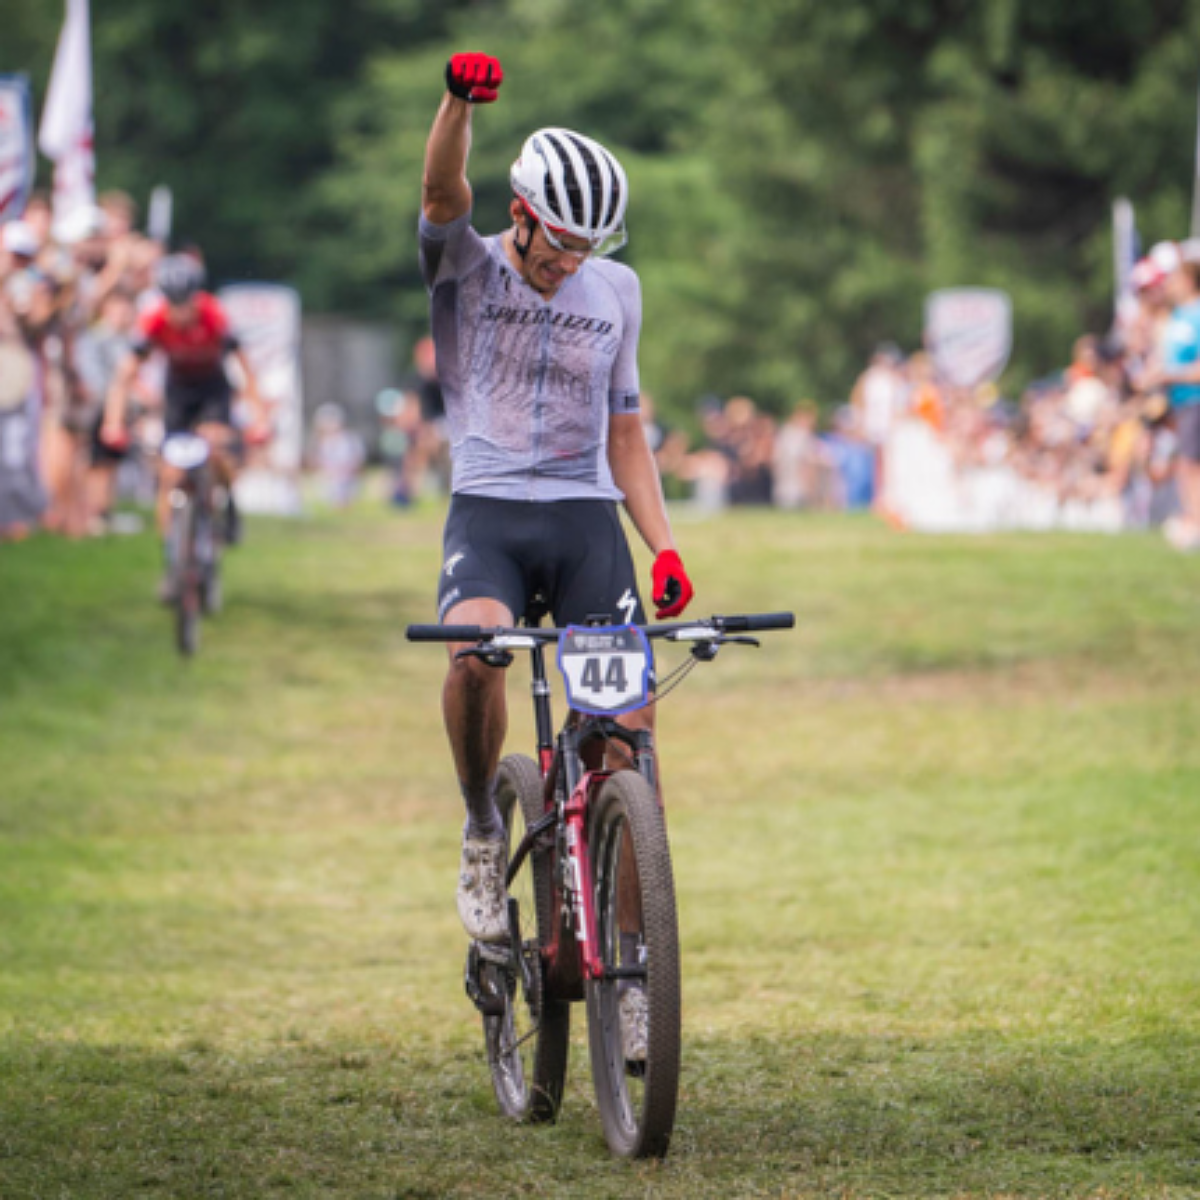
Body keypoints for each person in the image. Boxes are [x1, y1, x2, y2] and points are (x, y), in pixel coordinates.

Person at [418, 54, 694, 1021]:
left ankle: (635, 973)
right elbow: (440, 190)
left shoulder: (617, 291)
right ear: (522, 215)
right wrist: (459, 103)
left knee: (628, 745)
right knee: (473, 657)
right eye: (557, 244)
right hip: (489, 509)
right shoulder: (467, 266)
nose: (567, 263)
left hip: (585, 520)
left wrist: (663, 546)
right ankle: (483, 825)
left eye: (586, 247)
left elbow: (627, 435)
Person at [101, 254, 267, 591]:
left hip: (213, 390)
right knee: (170, 475)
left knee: (215, 447)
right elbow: (125, 374)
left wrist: (259, 416)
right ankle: (173, 560)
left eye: (186, 303)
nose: (181, 313)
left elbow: (245, 367)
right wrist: (113, 420)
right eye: (174, 305)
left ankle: (227, 500)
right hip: (178, 393)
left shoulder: (214, 315)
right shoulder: (153, 321)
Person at [1143, 258, 1200, 549]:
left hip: (1196, 398)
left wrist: (1168, 375)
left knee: (1191, 465)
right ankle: (1192, 519)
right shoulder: (1176, 316)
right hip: (1180, 401)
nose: (1169, 285)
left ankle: (1196, 523)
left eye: (1175, 279)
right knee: (1185, 464)